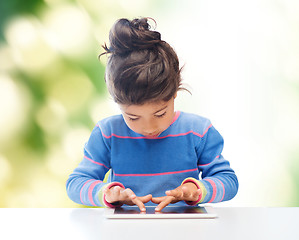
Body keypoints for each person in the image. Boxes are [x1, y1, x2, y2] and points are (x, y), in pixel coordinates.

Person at [66, 17, 238, 212]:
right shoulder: (108, 134)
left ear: (174, 92)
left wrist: (197, 190)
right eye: (133, 117)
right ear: (117, 104)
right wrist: (108, 193)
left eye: (160, 113)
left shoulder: (198, 131)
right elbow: (75, 184)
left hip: (186, 230)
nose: (149, 127)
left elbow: (228, 181)